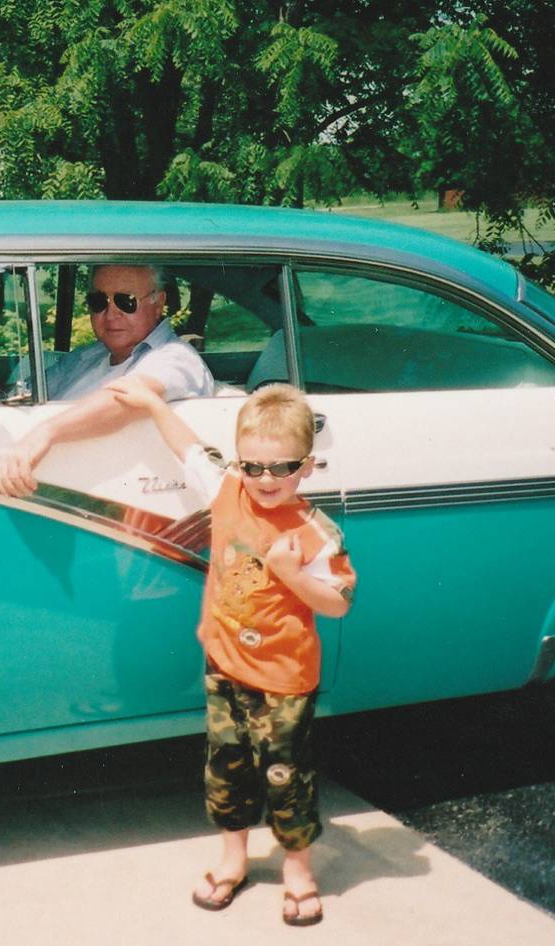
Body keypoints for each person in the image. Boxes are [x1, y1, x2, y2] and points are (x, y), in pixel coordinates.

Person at [106, 378, 356, 927]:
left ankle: (297, 867)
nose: (265, 480)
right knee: (227, 766)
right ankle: (234, 858)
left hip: (285, 680)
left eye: (282, 467)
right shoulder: (227, 489)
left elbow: (338, 605)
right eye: (253, 466)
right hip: (224, 665)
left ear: (307, 466)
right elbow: (187, 446)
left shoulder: (317, 532)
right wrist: (151, 403)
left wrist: (291, 573)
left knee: (286, 775)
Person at [0, 264, 213, 497]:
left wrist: (43, 434)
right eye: (99, 301)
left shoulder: (174, 357)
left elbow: (126, 399)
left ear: (158, 303)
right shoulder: (90, 354)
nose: (111, 313)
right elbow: (30, 392)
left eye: (126, 301)